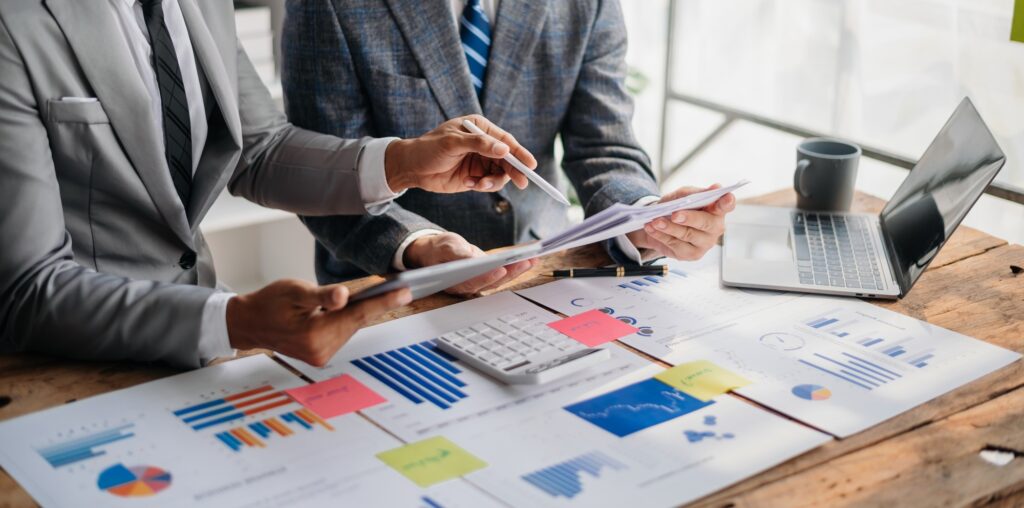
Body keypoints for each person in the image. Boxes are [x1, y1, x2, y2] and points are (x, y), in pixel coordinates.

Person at [0, 0, 538, 368]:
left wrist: (402, 162)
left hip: (201, 359)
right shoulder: (12, 24)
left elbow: (257, 149)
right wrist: (233, 320)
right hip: (63, 365)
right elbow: (27, 288)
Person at [283, 0, 737, 295]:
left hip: (543, 273)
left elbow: (604, 143)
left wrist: (645, 219)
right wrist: (422, 246)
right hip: (390, 285)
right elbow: (324, 174)